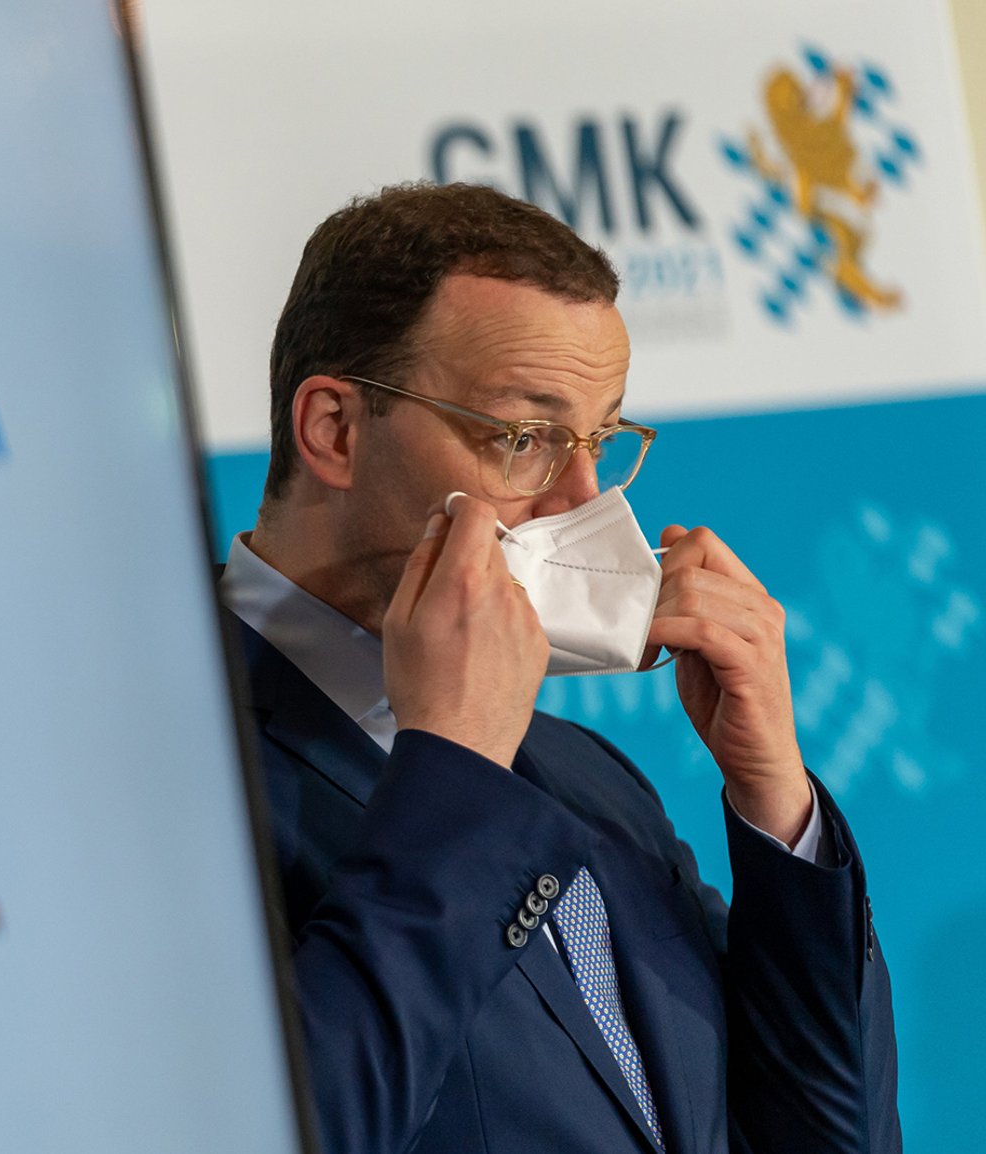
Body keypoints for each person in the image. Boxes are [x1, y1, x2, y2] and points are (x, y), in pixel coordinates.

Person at [223, 182, 900, 1153]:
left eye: (599, 441)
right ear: (334, 429)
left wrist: (771, 799)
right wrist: (450, 762)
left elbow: (832, 1139)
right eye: (523, 438)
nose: (581, 502)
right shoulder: (166, 768)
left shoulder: (584, 776)